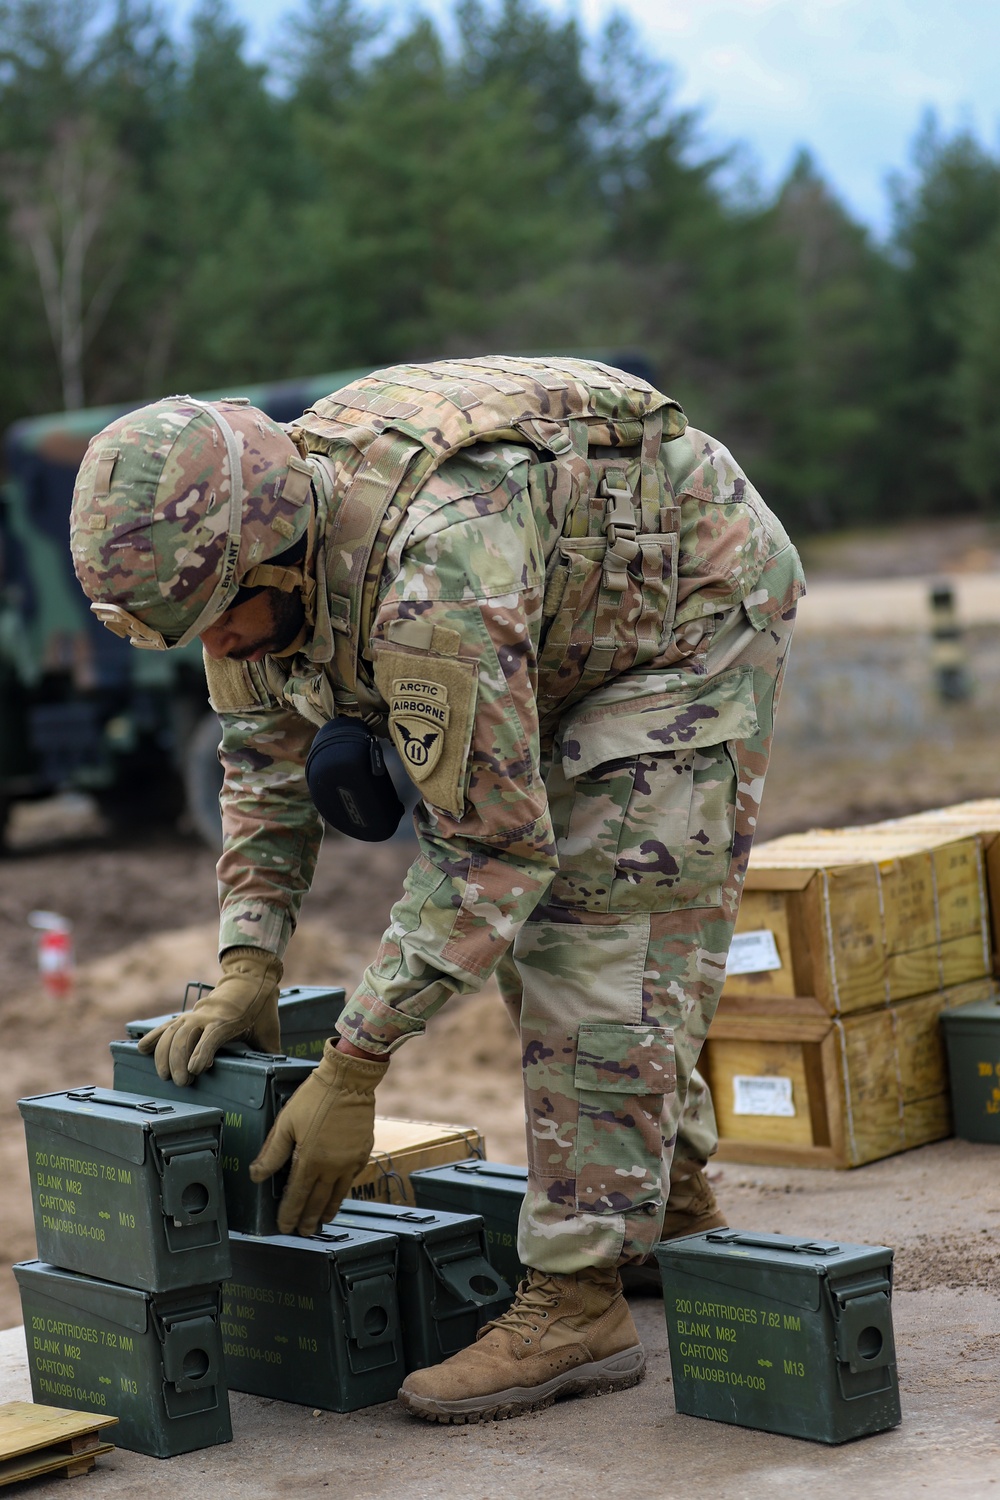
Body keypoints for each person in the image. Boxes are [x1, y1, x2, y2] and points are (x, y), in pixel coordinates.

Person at [69, 356, 804, 1424]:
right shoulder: (247, 555)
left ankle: (575, 1306)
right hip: (547, 610)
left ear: (275, 553)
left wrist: (354, 1065)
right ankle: (663, 1211)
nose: (217, 646)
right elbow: (265, 765)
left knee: (595, 933)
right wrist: (246, 961)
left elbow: (493, 857)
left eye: (224, 619)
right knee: (543, 934)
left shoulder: (434, 574)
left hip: (684, 617)